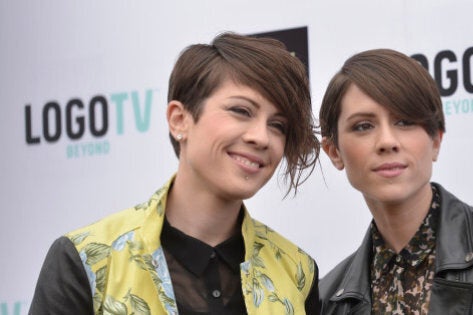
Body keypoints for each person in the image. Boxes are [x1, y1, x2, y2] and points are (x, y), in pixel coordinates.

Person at [30, 32, 321, 315]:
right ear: (179, 120)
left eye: (278, 125)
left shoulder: (296, 270)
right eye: (241, 111)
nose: (261, 137)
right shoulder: (87, 258)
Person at [318, 48, 473, 314]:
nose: (387, 142)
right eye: (363, 126)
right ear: (334, 152)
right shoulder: (330, 298)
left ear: (436, 141)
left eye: (404, 122)